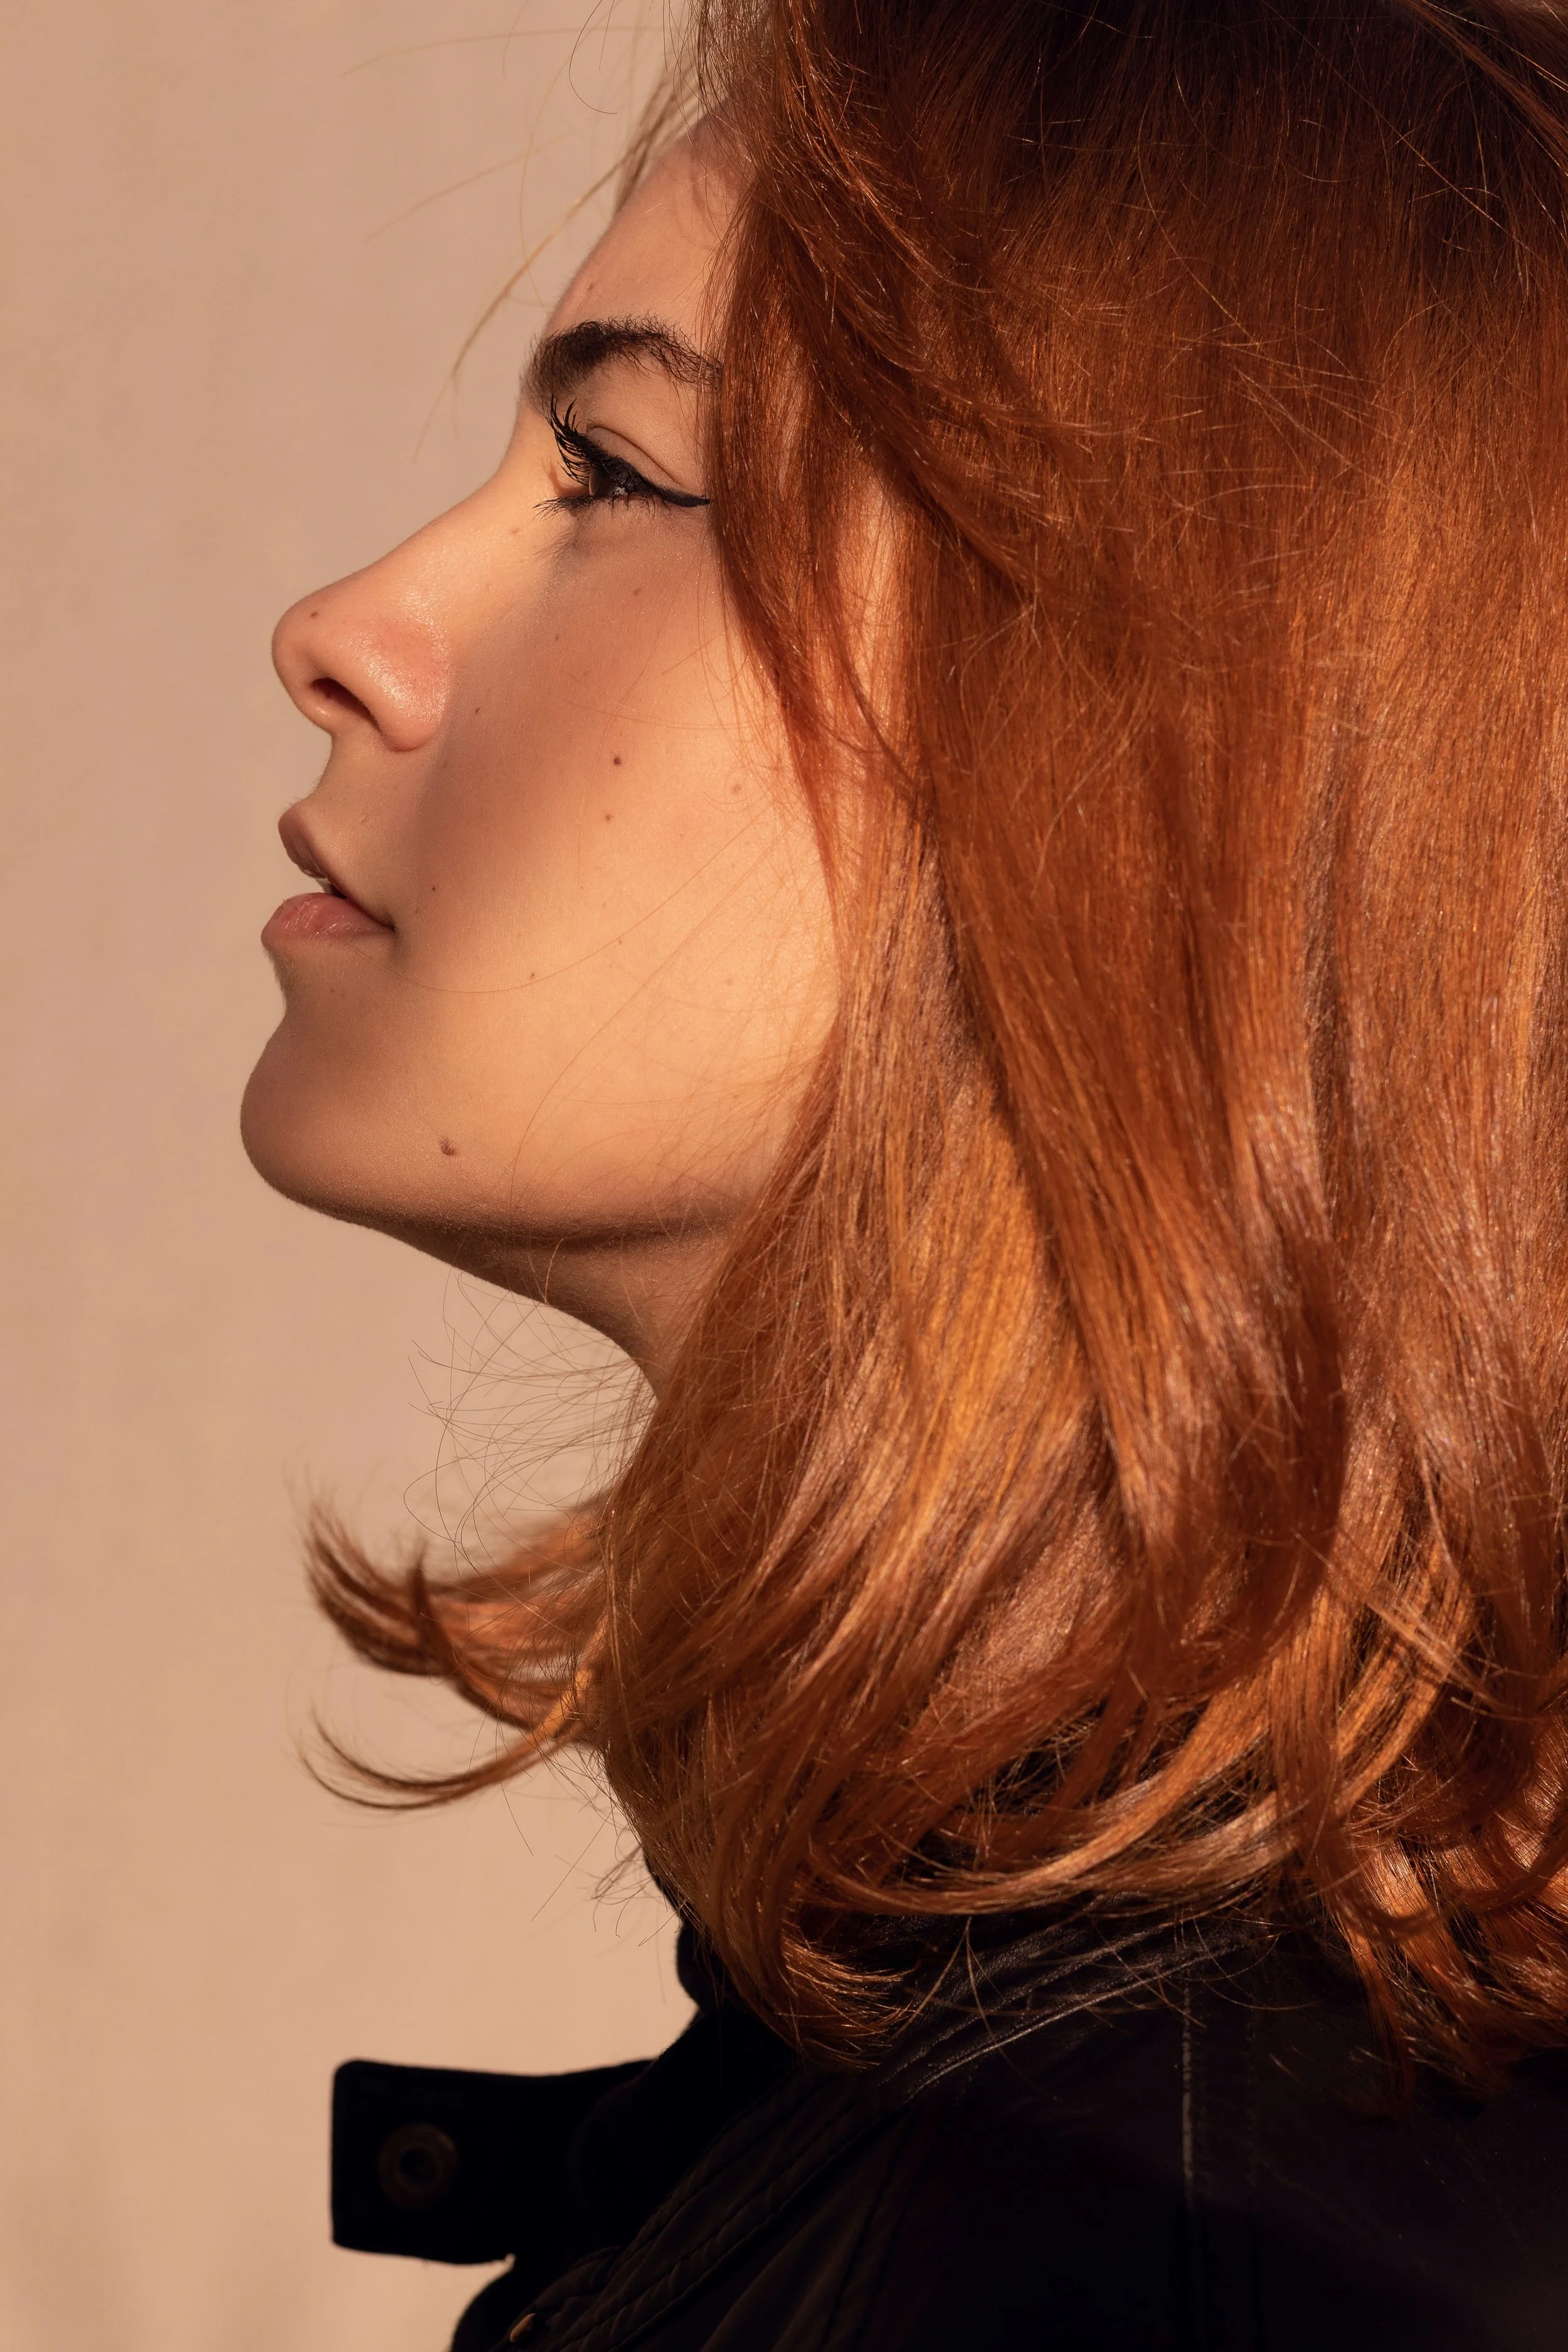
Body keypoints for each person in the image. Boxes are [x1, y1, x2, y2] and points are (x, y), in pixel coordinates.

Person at [242, 0, 1568, 2343]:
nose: (345, 630)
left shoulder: (1177, 2256)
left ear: (1163, 769)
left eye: (617, 480)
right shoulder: (1061, 2146)